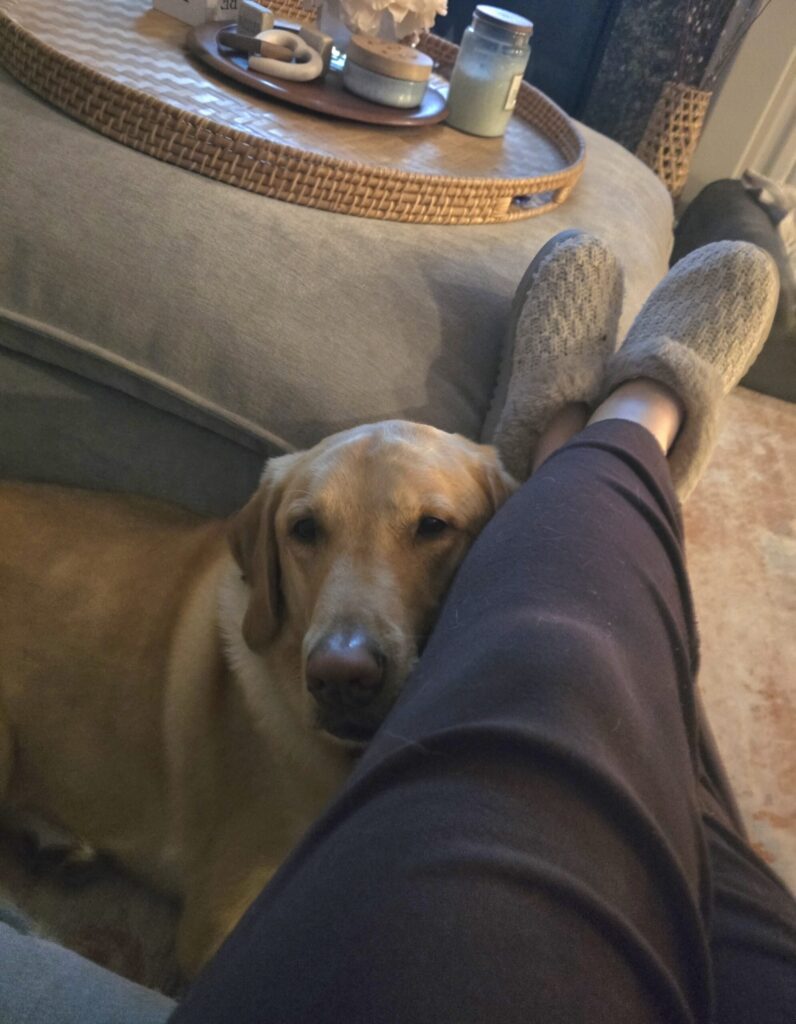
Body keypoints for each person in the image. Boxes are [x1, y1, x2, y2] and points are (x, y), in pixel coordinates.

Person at [2, 235, 794, 1023]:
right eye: (310, 535)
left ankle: (580, 463)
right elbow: (215, 940)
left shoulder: (458, 503)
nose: (342, 649)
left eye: (430, 530)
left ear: (486, 526)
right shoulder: (260, 654)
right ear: (269, 562)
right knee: (662, 776)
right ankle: (603, 464)